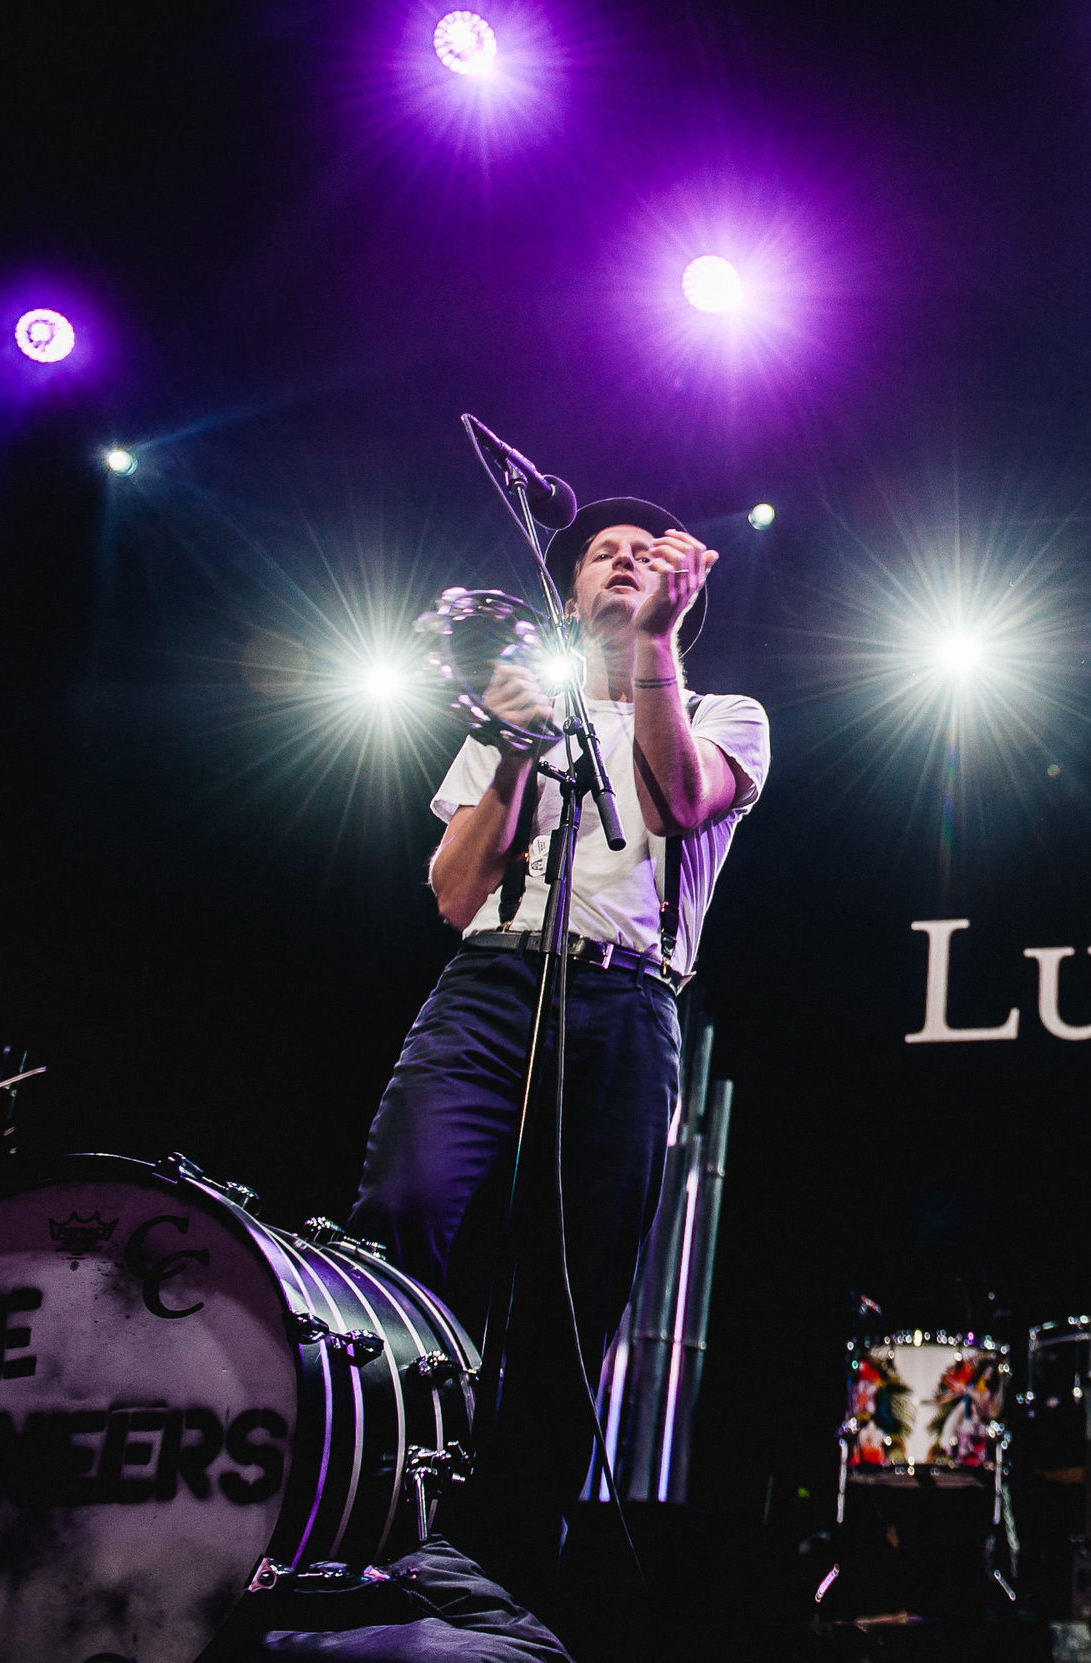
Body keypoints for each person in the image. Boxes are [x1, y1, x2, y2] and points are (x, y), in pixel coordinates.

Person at [348, 497, 770, 1599]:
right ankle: (371, 1501)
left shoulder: (726, 710)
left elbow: (681, 802)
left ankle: (505, 1572)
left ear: (681, 590)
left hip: (630, 1005)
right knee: (401, 1208)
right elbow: (452, 893)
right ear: (569, 595)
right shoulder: (514, 705)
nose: (623, 561)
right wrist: (509, 753)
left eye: (644, 553)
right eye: (601, 555)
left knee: (573, 1298)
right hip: (494, 979)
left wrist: (657, 651)